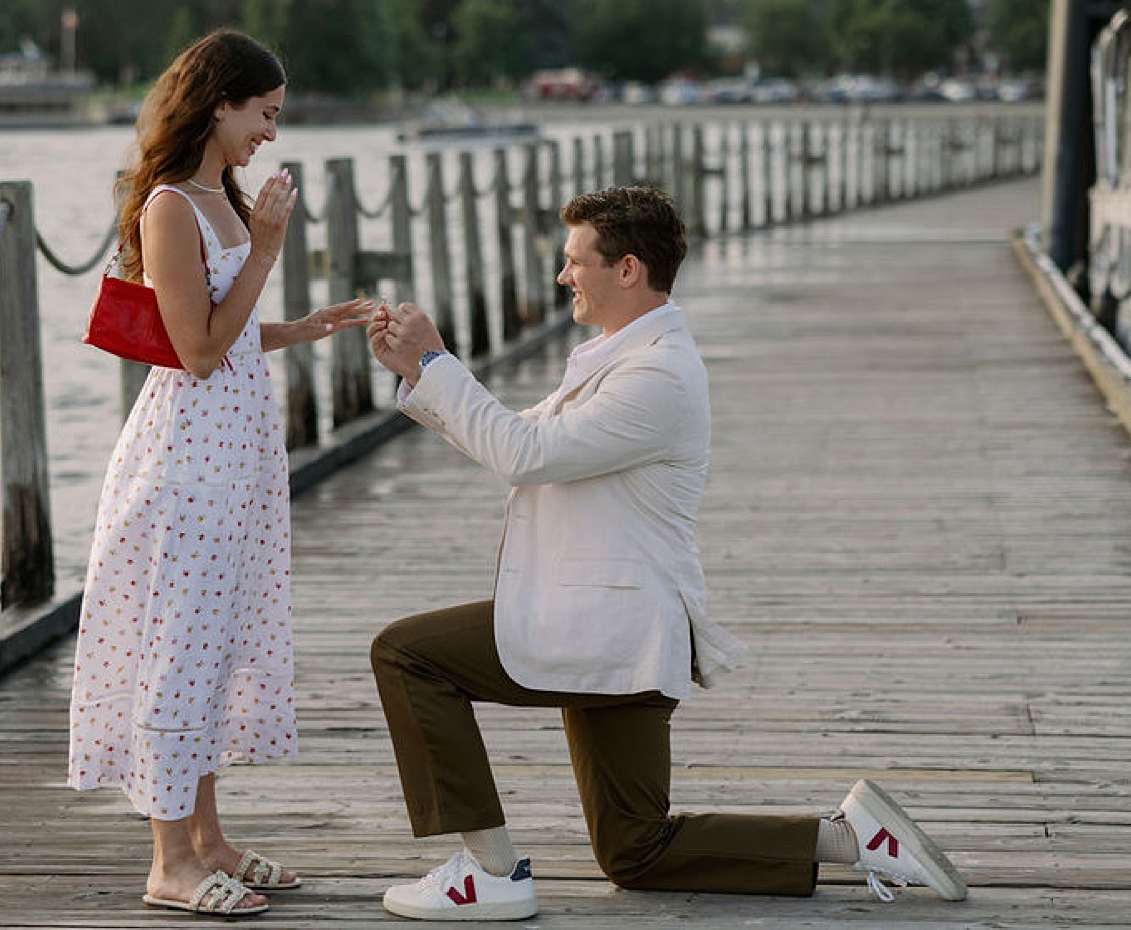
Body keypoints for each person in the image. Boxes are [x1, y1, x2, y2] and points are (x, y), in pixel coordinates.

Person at [365, 184, 966, 918]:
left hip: (607, 623)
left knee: (408, 654)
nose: (563, 277)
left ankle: (490, 872)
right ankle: (848, 839)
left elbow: (522, 453)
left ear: (626, 269)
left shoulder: (658, 375)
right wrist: (421, 373)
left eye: (574, 261)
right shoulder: (622, 361)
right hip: (614, 633)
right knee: (636, 851)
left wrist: (437, 359)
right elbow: (520, 439)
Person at [68, 30, 374, 916]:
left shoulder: (220, 196)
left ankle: (208, 840)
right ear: (219, 103)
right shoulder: (170, 206)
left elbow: (225, 331)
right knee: (180, 648)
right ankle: (169, 863)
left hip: (235, 455)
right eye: (265, 114)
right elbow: (196, 352)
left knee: (211, 645)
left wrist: (303, 327)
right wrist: (271, 250)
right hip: (187, 460)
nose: (271, 134)